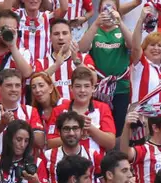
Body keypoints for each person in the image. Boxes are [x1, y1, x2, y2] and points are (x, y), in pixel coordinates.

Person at [79, 0, 134, 134]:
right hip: (99, 89)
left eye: (112, 9)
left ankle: (118, 154)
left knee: (120, 127)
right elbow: (82, 48)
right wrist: (96, 23)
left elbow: (133, 45)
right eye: (105, 9)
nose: (108, 13)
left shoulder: (122, 30)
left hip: (121, 88)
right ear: (99, 12)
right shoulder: (94, 31)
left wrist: (119, 22)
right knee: (100, 125)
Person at [0, 68, 45, 165]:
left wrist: (16, 125)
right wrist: (1, 124)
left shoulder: (30, 111)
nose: (14, 89)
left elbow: (40, 142)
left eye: (17, 85)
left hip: (23, 172)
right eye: (9, 85)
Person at [47, 66, 116, 153]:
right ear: (71, 88)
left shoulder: (103, 108)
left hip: (95, 164)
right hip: (66, 163)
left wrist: (90, 128)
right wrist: (77, 133)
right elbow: (50, 143)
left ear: (93, 88)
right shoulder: (58, 111)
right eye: (78, 86)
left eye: (86, 86)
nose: (82, 90)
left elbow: (111, 143)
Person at [39, 111, 103, 183]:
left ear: (82, 131)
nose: (71, 133)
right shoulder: (47, 156)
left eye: (75, 128)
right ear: (59, 132)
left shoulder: (93, 156)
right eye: (66, 129)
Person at [38, 18, 96, 101]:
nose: (61, 37)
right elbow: (36, 83)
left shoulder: (84, 58)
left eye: (65, 33)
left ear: (71, 36)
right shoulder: (41, 63)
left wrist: (76, 61)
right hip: (54, 111)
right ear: (50, 37)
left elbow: (94, 79)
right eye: (56, 34)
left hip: (78, 111)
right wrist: (56, 65)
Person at [30, 72, 61, 136]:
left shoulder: (64, 104)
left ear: (51, 88)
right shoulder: (31, 112)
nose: (37, 90)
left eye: (41, 86)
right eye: (33, 87)